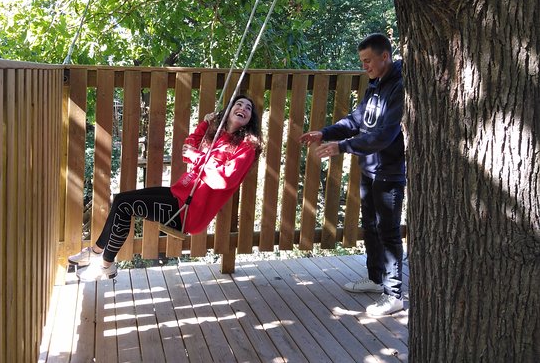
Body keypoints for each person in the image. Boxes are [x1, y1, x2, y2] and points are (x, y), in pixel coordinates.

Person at [69, 94, 264, 282]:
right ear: (229, 110)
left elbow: (223, 180)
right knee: (121, 199)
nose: (243, 109)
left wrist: (197, 157)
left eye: (248, 108)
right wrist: (205, 124)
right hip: (179, 193)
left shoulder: (247, 146)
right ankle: (94, 252)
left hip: (188, 211)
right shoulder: (217, 134)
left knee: (125, 207)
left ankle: (105, 264)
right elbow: (188, 150)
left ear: (249, 120)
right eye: (239, 104)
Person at [300, 33, 405, 316]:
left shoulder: (400, 87)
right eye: (362, 62)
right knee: (369, 224)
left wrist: (341, 147)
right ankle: (374, 278)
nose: (365, 67)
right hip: (369, 168)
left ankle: (394, 294)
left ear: (385, 56)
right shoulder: (374, 85)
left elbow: (384, 135)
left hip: (389, 171)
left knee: (389, 232)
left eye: (368, 61)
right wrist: (325, 132)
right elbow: (357, 121)